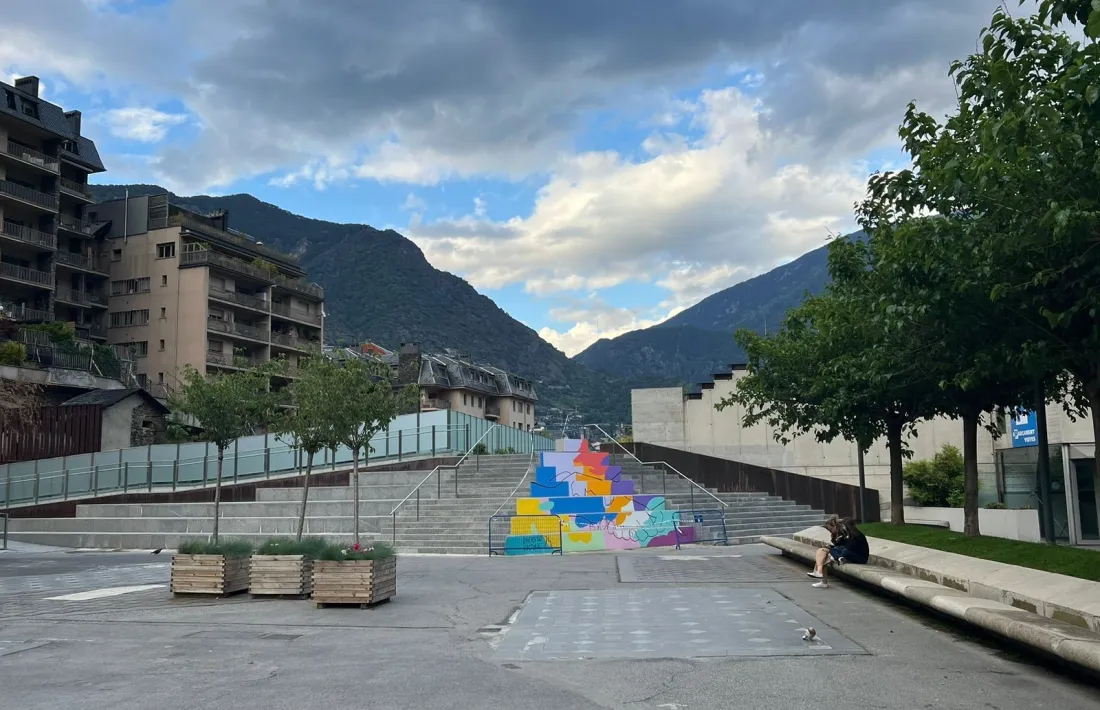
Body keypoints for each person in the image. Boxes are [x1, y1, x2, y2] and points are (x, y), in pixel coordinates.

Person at [807, 516, 869, 588]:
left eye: (843, 525)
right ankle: (822, 575)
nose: (843, 527)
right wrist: (836, 542)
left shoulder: (857, 535)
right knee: (825, 553)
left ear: (847, 526)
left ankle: (822, 577)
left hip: (860, 557)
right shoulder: (849, 534)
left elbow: (849, 548)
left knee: (828, 553)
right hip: (849, 554)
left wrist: (836, 546)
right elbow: (844, 546)